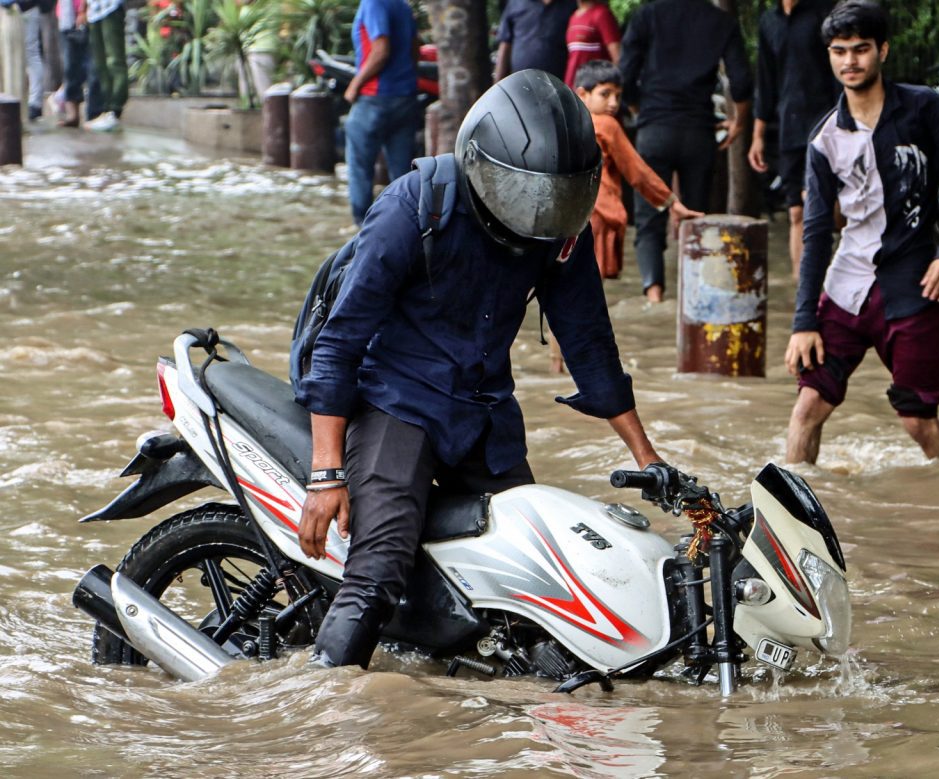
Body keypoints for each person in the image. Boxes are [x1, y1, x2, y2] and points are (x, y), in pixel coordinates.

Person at [295, 69, 673, 669]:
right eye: (529, 195)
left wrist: (648, 459)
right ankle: (325, 711)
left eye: (556, 198)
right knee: (380, 565)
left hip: (482, 410)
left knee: (537, 561)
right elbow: (340, 342)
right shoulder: (411, 208)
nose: (540, 212)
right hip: (398, 399)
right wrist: (326, 475)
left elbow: (590, 345)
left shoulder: (556, 232)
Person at [784, 0, 939, 464]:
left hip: (914, 287)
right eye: (839, 51)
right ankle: (791, 519)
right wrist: (803, 323)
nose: (850, 61)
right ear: (830, 56)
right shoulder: (824, 139)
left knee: (918, 420)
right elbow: (816, 233)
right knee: (808, 406)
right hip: (844, 288)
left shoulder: (922, 109)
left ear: (882, 51)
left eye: (860, 49)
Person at [546, 60, 703, 373]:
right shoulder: (606, 125)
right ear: (583, 94)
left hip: (563, 221)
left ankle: (556, 369)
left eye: (618, 95)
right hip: (596, 221)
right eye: (606, 94)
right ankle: (586, 373)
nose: (614, 102)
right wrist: (672, 202)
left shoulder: (566, 123)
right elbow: (637, 171)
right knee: (584, 301)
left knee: (562, 298)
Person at [619, 0, 754, 303]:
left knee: (649, 219)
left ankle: (654, 297)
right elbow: (742, 82)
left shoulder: (647, 15)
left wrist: (641, 109)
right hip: (698, 133)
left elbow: (624, 75)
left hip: (654, 130)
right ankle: (693, 298)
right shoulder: (721, 22)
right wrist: (738, 122)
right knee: (696, 220)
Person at [748, 0, 838, 280]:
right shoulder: (768, 22)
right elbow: (766, 81)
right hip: (789, 131)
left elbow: (839, 76)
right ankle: (803, 289)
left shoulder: (824, 14)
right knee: (796, 213)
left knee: (823, 208)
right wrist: (757, 135)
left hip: (826, 127)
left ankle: (835, 281)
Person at [343, 0, 419, 226]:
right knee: (404, 175)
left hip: (375, 98)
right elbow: (415, 49)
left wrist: (355, 85)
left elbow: (381, 50)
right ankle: (406, 226)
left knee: (360, 169)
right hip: (405, 97)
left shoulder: (373, 3)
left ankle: (361, 229)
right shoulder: (403, 6)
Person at [494, 0, 575, 82]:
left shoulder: (573, 5)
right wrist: (496, 88)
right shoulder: (515, 3)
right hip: (521, 85)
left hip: (560, 86)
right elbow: (505, 46)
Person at [82, 0, 127, 132]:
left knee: (115, 60)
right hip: (94, 10)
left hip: (111, 6)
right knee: (100, 63)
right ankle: (106, 109)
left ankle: (115, 110)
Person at [564, 0, 620, 90]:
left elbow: (618, 58)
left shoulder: (602, 14)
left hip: (594, 90)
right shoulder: (573, 17)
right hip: (573, 89)